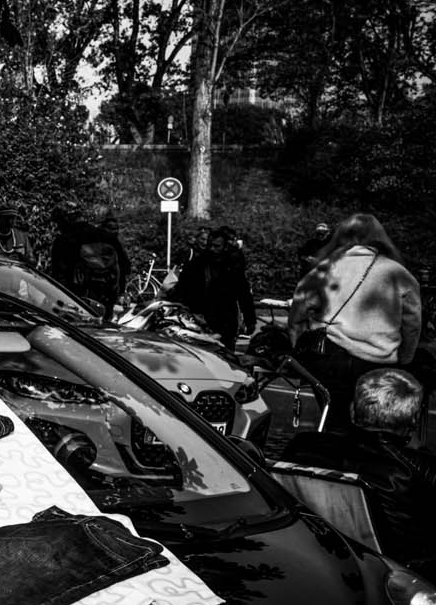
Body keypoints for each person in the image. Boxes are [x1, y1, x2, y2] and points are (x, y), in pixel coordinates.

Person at [282, 369, 436, 564]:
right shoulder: (418, 469)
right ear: (413, 420)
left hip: (314, 550)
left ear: (352, 409)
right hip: (397, 568)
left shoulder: (303, 445)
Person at [288, 213, 422, 434]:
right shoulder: (399, 274)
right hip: (377, 361)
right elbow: (412, 325)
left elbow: (297, 316)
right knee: (372, 424)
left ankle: (330, 460)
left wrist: (298, 349)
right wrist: (404, 360)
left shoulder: (324, 269)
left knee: (332, 419)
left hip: (328, 357)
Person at [173, 226, 257, 350]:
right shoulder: (197, 264)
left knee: (226, 356)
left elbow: (243, 293)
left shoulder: (232, 266)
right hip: (201, 319)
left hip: (225, 320)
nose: (212, 249)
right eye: (210, 245)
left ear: (224, 247)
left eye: (217, 246)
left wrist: (250, 319)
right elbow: (183, 288)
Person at [49, 205, 129, 317]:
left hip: (76, 301)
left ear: (65, 220)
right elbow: (125, 267)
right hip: (106, 299)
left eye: (58, 223)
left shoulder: (63, 241)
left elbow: (59, 275)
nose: (58, 227)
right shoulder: (107, 237)